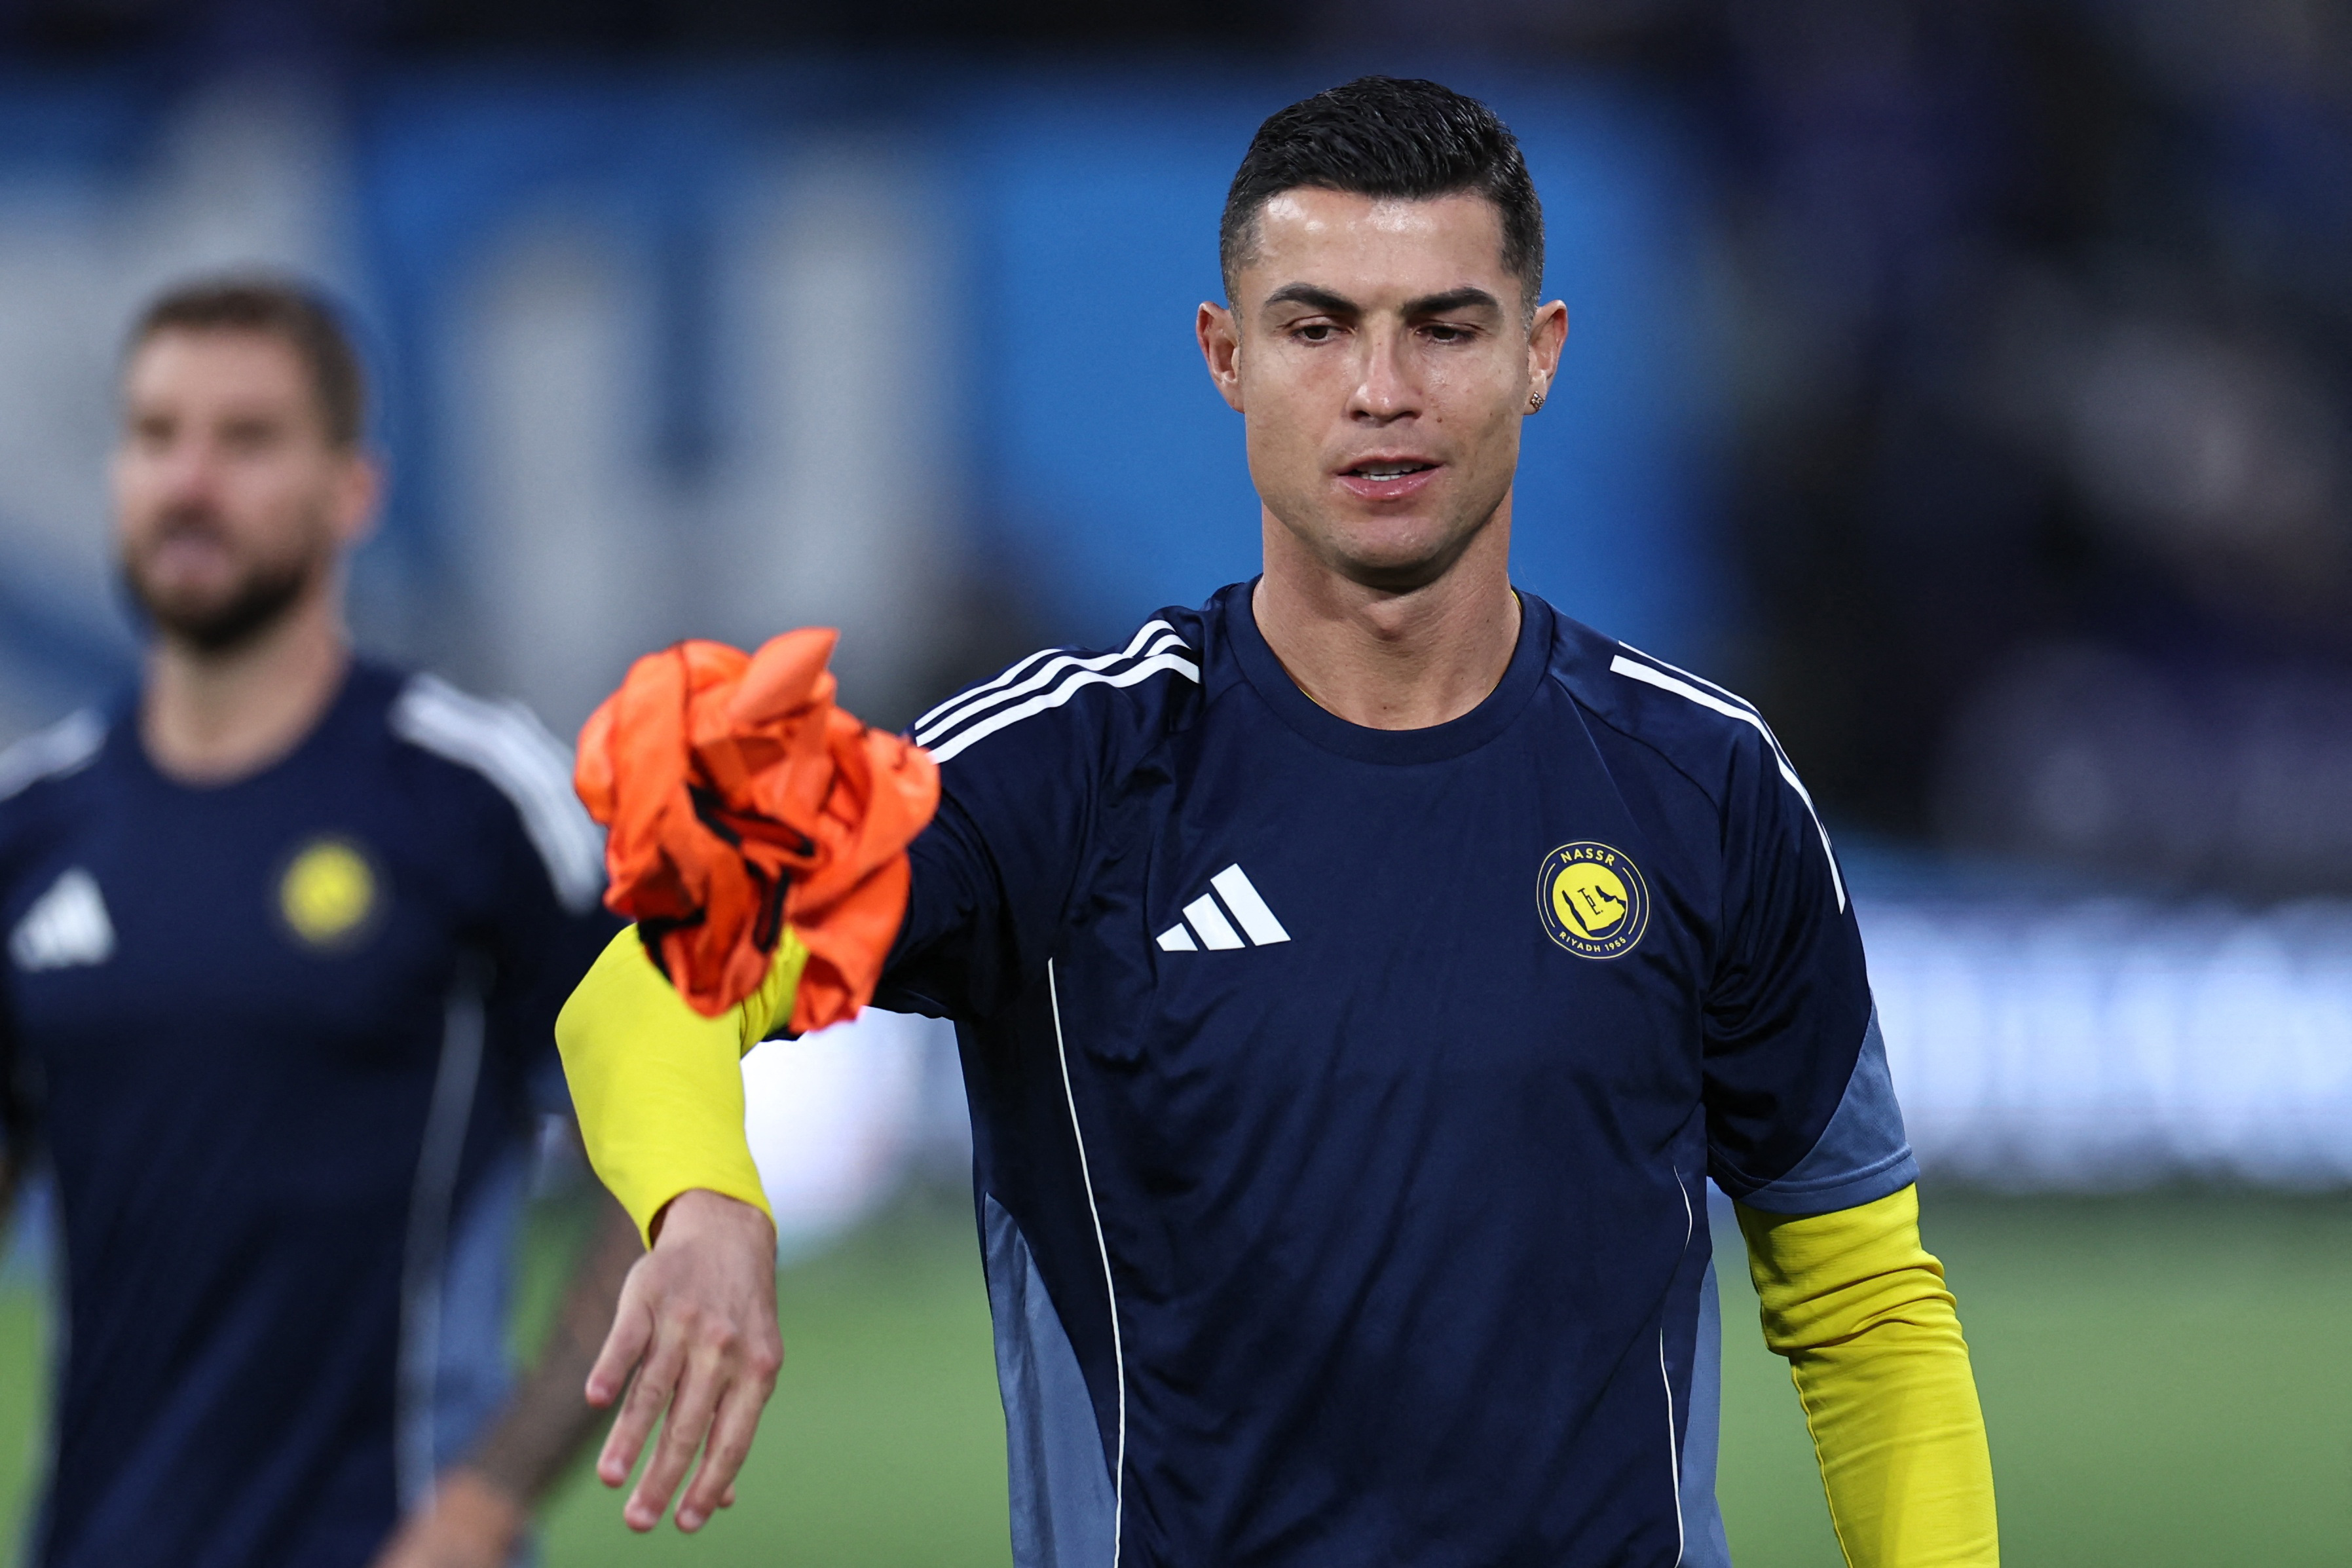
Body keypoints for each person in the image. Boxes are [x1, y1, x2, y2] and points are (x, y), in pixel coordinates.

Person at [556, 77, 2001, 1567]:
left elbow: (1862, 1309)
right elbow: (648, 981)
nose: (1382, 390)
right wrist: (703, 1205)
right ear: (1226, 356)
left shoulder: (1702, 786)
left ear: (1538, 356)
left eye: (1443, 327)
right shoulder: (1072, 768)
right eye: (1316, 329)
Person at [0, 278, 641, 1568]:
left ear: (353, 489)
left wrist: (482, 1503)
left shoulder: (472, 798)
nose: (190, 480)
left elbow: (662, 1168)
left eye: (246, 440)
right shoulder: (35, 826)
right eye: (155, 434)